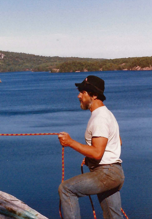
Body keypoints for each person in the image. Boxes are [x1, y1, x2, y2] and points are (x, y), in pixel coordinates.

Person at [58, 75, 124, 219]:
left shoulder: (99, 118)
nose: (79, 96)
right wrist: (90, 160)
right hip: (114, 173)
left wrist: (70, 142)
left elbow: (97, 153)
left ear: (93, 95)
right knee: (113, 216)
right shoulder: (107, 114)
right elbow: (117, 142)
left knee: (66, 189)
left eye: (83, 92)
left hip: (106, 173)